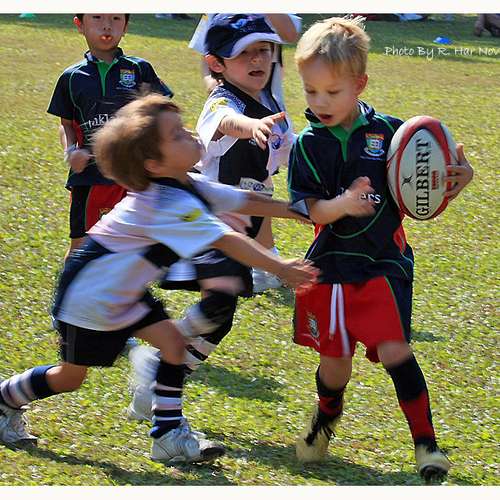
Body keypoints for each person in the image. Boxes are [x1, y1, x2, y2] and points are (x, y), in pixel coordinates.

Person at [0, 94, 318, 464]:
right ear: (153, 164)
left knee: (172, 344)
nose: (189, 133)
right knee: (70, 377)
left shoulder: (188, 184)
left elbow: (248, 200)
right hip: (91, 294)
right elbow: (226, 239)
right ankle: (5, 399)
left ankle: (167, 436)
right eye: (177, 135)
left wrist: (311, 213)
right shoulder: (167, 202)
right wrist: (279, 267)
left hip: (122, 290)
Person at [288, 17, 473, 482]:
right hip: (330, 266)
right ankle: (325, 418)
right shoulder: (306, 145)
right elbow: (311, 210)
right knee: (336, 365)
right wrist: (343, 205)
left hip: (383, 262)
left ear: (360, 85)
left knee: (396, 350)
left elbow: (424, 190)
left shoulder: (394, 134)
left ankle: (427, 445)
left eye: (332, 92)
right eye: (311, 91)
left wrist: (456, 179)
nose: (319, 102)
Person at [187, 14, 299, 294]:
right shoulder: (221, 100)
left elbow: (289, 148)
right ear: (217, 64)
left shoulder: (271, 103)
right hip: (218, 210)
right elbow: (226, 120)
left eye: (263, 49)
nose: (256, 59)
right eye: (243, 53)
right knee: (222, 288)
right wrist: (252, 126)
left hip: (255, 192)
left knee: (259, 224)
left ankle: (265, 272)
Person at [47, 14, 173, 256]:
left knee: (137, 243)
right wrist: (71, 151)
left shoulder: (140, 69)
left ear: (126, 26)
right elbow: (66, 125)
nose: (107, 26)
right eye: (97, 17)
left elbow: (163, 113)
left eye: (115, 18)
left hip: (135, 175)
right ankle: (74, 279)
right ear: (79, 25)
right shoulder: (71, 77)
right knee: (82, 245)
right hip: (90, 176)